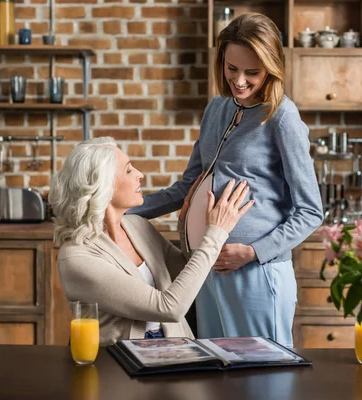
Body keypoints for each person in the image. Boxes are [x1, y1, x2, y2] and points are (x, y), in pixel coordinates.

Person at [128, 12, 323, 347]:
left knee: (264, 381)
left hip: (256, 274)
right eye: (232, 69)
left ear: (272, 68)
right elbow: (184, 188)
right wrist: (122, 210)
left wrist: (251, 252)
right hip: (206, 270)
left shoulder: (282, 118)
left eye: (253, 72)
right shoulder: (216, 109)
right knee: (216, 377)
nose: (240, 81)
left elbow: (311, 212)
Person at [49, 137, 253, 346]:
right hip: (117, 364)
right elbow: (169, 307)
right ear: (104, 186)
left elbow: (186, 275)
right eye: (129, 170)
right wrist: (216, 232)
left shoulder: (137, 226)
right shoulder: (76, 257)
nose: (140, 175)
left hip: (174, 350)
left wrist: (186, 225)